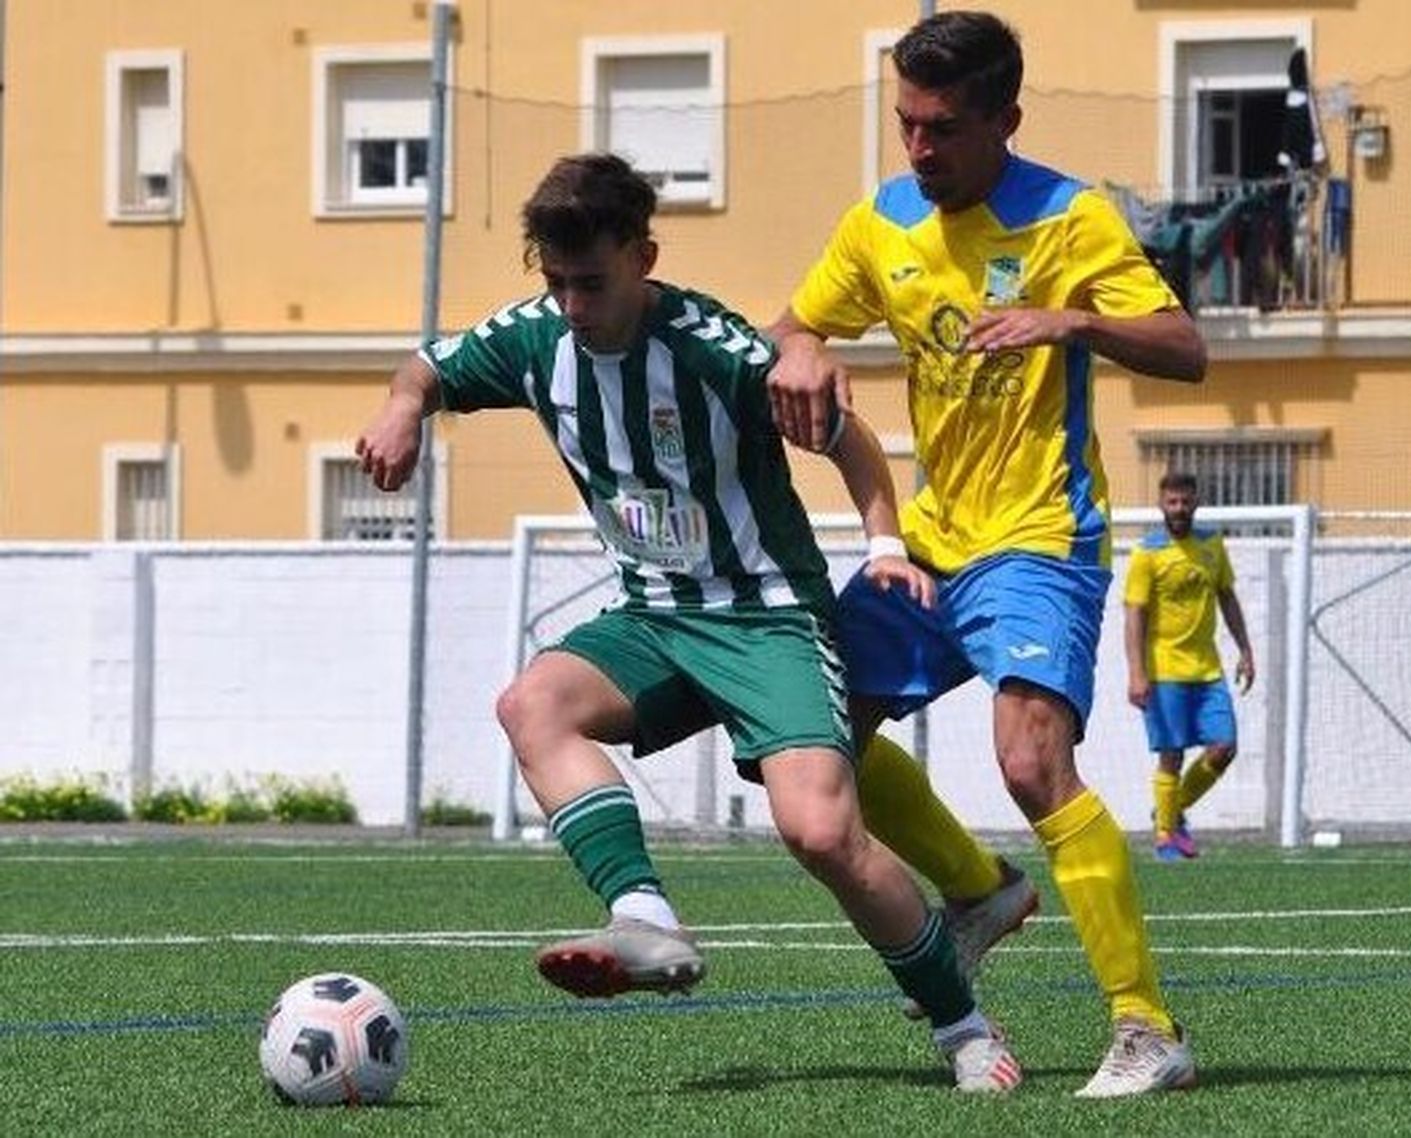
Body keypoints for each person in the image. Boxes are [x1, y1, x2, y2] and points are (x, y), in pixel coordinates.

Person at [355, 153, 1022, 1093]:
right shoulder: (535, 337)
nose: (573, 305)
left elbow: (848, 438)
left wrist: (882, 549)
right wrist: (400, 409)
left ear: (644, 257)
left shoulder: (719, 350)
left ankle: (963, 1029)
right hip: (655, 617)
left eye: (592, 282)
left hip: (769, 619)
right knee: (531, 703)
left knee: (820, 833)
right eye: (555, 283)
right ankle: (646, 918)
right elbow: (424, 366)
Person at [766, 11, 1207, 1098]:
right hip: (927, 544)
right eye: (906, 123)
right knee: (813, 738)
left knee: (1028, 761)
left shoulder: (1071, 218)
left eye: (943, 128)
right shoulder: (882, 220)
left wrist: (1072, 322)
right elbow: (793, 324)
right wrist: (808, 354)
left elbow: (1184, 348)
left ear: (1005, 118)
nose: (919, 149)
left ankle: (1147, 1028)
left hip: (1038, 542)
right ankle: (978, 891)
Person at [1124, 471, 1256, 861]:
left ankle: (1169, 809)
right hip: (1164, 672)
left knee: (1224, 747)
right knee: (1172, 754)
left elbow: (1227, 596)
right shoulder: (1147, 553)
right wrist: (1136, 672)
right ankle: (1166, 836)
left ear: (1196, 502)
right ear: (1161, 505)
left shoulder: (1212, 544)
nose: (1179, 509)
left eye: (1185, 501)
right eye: (1172, 502)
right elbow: (1134, 614)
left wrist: (1246, 649)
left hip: (1208, 671)